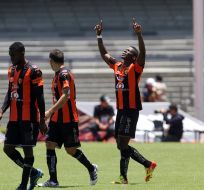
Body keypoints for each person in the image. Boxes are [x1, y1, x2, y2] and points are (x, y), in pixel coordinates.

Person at [94, 18, 157, 184]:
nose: (124, 51)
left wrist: (139, 35)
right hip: (121, 110)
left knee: (123, 144)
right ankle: (128, 175)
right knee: (120, 145)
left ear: (134, 57)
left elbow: (143, 54)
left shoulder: (135, 68)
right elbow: (104, 54)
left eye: (127, 50)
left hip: (131, 110)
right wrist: (99, 36)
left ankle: (144, 167)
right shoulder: (117, 65)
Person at [39, 49, 98, 187]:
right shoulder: (57, 75)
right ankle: (53, 180)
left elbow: (66, 95)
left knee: (70, 150)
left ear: (51, 61)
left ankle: (91, 168)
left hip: (68, 119)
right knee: (49, 144)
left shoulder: (63, 74)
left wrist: (49, 111)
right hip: (56, 119)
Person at [0, 42, 47, 190]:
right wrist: (2, 109)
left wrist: (42, 120)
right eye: (10, 55)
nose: (11, 58)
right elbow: (10, 92)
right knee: (7, 148)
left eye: (13, 55)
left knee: (27, 150)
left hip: (29, 119)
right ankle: (34, 173)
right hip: (14, 119)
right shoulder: (12, 71)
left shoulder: (34, 71)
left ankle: (23, 184)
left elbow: (40, 97)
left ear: (22, 53)